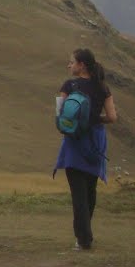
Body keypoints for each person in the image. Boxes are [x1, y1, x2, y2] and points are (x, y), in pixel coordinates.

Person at [53, 48, 118, 251]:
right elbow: (112, 117)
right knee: (90, 191)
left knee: (78, 194)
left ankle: (83, 239)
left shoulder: (69, 85)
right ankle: (85, 235)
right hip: (95, 142)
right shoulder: (102, 88)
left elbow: (60, 115)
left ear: (81, 65)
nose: (69, 65)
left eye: (72, 62)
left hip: (74, 142)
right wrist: (95, 119)